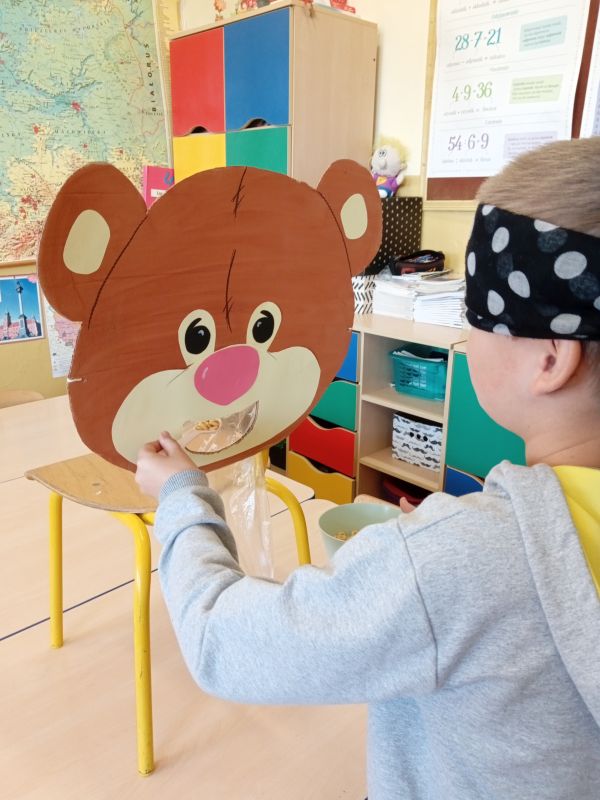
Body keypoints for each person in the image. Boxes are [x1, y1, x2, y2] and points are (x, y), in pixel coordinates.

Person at [136, 137, 600, 799]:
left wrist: (180, 495)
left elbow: (221, 641)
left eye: (472, 315)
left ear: (550, 360)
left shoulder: (465, 562)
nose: (465, 336)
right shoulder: (468, 552)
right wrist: (447, 541)